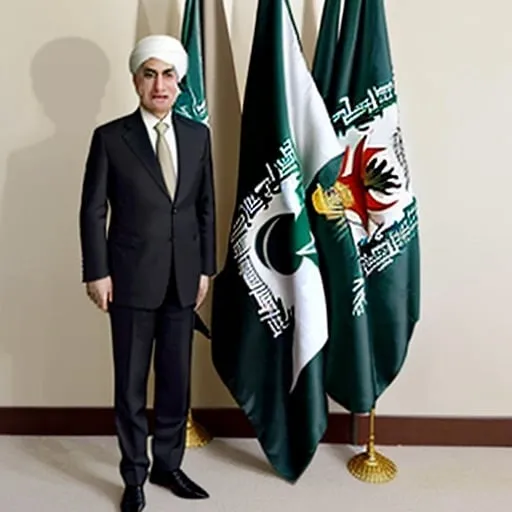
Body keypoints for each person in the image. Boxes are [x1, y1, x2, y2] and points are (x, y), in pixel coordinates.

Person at [79, 35, 216, 512]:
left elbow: (205, 208)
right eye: (150, 74)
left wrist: (206, 270)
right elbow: (93, 211)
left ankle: (169, 465)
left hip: (184, 280)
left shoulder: (199, 136)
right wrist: (97, 272)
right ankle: (133, 474)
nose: (160, 84)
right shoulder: (111, 138)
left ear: (180, 82)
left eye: (168, 75)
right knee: (132, 383)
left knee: (176, 381)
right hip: (131, 279)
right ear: (136, 80)